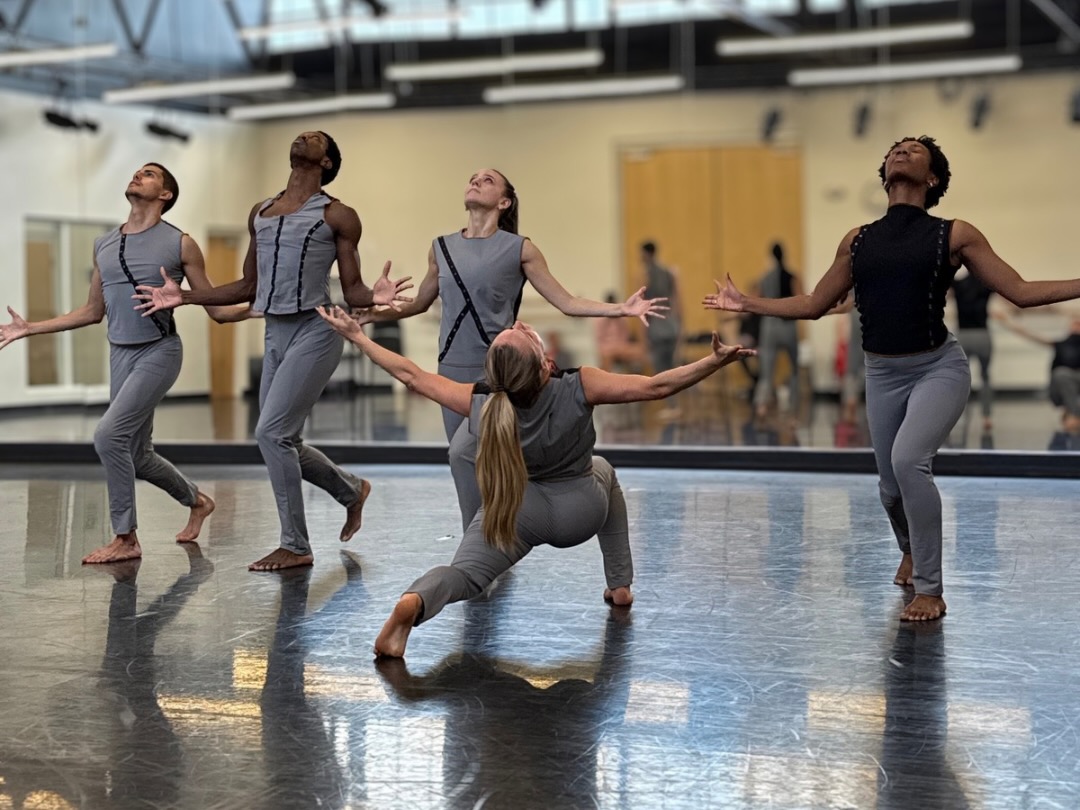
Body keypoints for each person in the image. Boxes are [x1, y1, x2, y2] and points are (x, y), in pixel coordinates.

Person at [704, 135, 1080, 622]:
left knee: (908, 462)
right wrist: (747, 303)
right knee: (888, 488)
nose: (901, 151)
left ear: (933, 178)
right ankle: (910, 549)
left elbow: (1021, 291)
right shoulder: (857, 240)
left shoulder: (955, 234)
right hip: (882, 373)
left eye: (915, 149)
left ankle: (931, 589)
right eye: (895, 149)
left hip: (938, 368)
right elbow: (815, 304)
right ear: (884, 173)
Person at [318, 307, 752, 657]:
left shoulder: (485, 402)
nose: (521, 324)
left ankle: (414, 603)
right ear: (545, 364)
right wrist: (713, 361)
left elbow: (412, 375)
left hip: (515, 512)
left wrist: (358, 337)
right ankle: (620, 586)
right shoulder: (578, 385)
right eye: (523, 332)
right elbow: (656, 387)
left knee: (464, 575)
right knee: (604, 469)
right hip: (581, 510)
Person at [134, 132, 412, 571]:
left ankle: (296, 545)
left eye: (315, 139)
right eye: (302, 135)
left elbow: (354, 290)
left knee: (271, 434)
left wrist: (374, 296)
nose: (304, 137)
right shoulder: (260, 212)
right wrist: (184, 297)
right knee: (284, 438)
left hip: (317, 329)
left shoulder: (338, 215)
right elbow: (248, 286)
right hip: (275, 331)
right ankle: (351, 490)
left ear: (326, 162)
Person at [0, 163, 253, 564]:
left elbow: (217, 310)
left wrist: (259, 309)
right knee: (137, 454)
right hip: (120, 352)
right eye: (137, 171)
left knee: (108, 436)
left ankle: (126, 537)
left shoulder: (180, 244)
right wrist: (30, 328)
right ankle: (197, 500)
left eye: (149, 174)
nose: (138, 175)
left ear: (166, 195)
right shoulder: (103, 244)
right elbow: (92, 311)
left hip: (159, 351)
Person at [352, 169, 667, 442]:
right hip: (450, 368)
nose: (476, 182)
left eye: (487, 180)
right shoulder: (440, 248)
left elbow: (567, 302)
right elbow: (420, 303)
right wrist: (374, 313)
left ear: (504, 202)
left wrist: (621, 309)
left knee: (499, 455)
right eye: (473, 179)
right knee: (461, 456)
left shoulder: (521, 249)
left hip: (500, 369)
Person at [996, 312, 1080, 433]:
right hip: (1059, 387)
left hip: (1072, 385)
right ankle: (1074, 413)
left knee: (1063, 375)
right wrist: (1006, 322)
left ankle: (1074, 413)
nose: (1076, 326)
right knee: (1061, 374)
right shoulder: (1060, 344)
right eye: (1075, 324)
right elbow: (1031, 335)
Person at [752, 242, 804, 417]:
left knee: (766, 370)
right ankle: (793, 407)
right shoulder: (792, 277)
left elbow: (756, 301)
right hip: (788, 325)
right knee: (794, 368)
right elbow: (802, 300)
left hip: (769, 325)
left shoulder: (765, 278)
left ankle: (762, 405)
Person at [951, 269, 996, 430]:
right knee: (985, 377)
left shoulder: (958, 284)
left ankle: (956, 415)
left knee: (960, 378)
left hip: (963, 335)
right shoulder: (986, 285)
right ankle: (986, 416)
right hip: (982, 334)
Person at [639, 241, 682, 375]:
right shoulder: (669, 272)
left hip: (656, 328)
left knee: (660, 373)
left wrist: (643, 336)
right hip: (670, 326)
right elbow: (677, 303)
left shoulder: (645, 275)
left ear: (647, 254)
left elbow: (642, 306)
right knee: (671, 370)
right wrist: (679, 326)